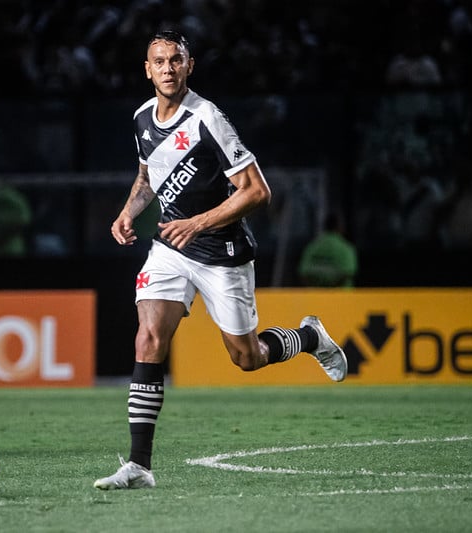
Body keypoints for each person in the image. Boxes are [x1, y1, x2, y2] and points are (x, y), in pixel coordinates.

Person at [94, 30, 347, 491]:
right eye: (159, 61)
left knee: (247, 357)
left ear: (190, 65)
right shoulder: (141, 119)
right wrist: (128, 212)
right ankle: (138, 465)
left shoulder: (207, 117)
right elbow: (147, 175)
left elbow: (257, 191)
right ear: (146, 69)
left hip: (220, 252)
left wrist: (199, 223)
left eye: (176, 60)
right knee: (148, 339)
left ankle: (310, 336)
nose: (168, 68)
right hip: (170, 247)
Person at [298, 212, 358, 287]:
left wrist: (317, 291)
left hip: (317, 297)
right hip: (342, 297)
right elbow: (348, 274)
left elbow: (303, 274)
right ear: (340, 227)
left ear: (324, 226)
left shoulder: (312, 247)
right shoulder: (346, 249)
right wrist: (331, 291)